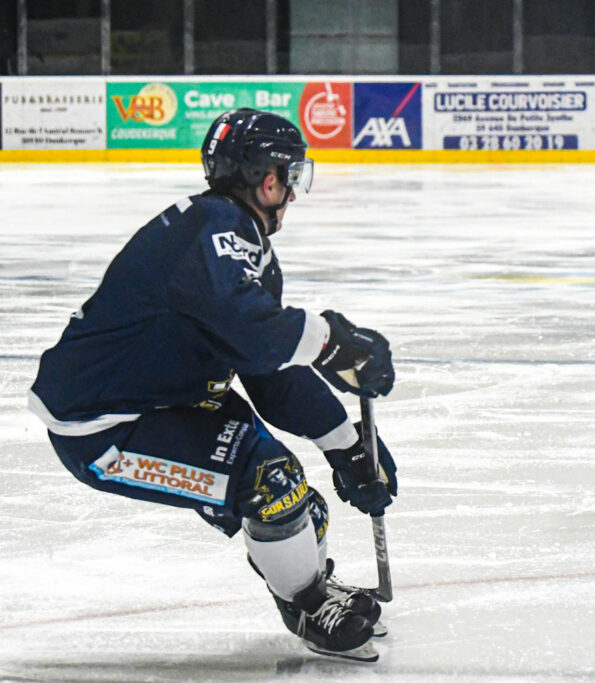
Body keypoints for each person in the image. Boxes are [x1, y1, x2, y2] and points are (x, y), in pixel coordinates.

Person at [27, 108, 397, 661]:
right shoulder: (216, 230)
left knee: (301, 513)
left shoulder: (228, 236)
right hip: (105, 428)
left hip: (166, 403)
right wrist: (332, 342)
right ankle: (306, 602)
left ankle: (306, 584)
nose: (292, 194)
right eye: (289, 177)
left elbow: (268, 373)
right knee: (274, 487)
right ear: (264, 177)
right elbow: (259, 331)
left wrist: (346, 447)